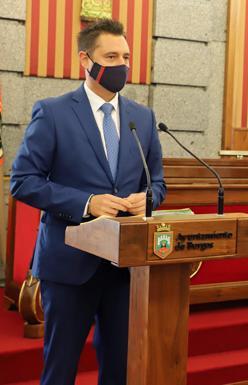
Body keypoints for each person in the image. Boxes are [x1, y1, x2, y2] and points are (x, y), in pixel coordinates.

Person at [10, 19, 166, 385]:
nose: (121, 65)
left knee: (120, 368)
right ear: (85, 59)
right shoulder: (53, 112)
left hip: (126, 266)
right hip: (69, 265)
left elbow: (157, 182)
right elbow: (23, 182)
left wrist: (149, 200)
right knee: (60, 369)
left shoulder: (142, 119)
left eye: (126, 57)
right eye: (110, 56)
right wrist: (87, 202)